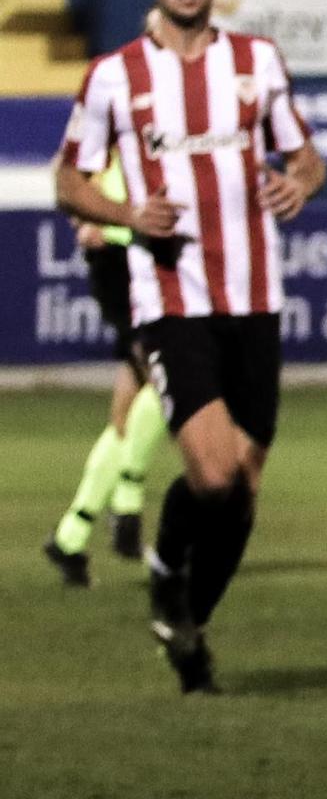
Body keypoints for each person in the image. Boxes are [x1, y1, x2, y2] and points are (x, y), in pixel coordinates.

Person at [54, 0, 325, 690]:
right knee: (212, 478)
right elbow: (69, 180)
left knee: (243, 487)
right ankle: (167, 560)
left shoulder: (258, 63)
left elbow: (308, 159)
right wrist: (126, 215)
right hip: (170, 295)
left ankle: (189, 624)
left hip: (256, 295)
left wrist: (296, 181)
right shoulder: (115, 76)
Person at [41, 150, 170, 588]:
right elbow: (67, 171)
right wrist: (89, 220)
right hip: (120, 260)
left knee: (133, 401)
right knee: (164, 378)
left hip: (140, 255)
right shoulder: (114, 100)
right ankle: (125, 505)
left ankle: (72, 537)